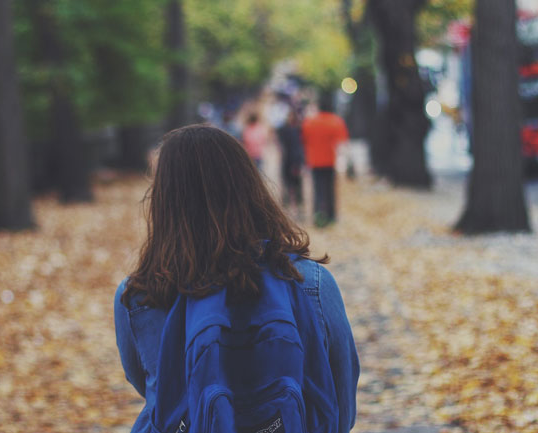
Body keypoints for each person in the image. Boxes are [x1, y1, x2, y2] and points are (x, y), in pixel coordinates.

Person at [114, 125, 359, 433]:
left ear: (164, 200)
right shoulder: (310, 282)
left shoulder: (138, 295)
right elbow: (341, 407)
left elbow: (155, 391)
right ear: (251, 188)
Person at [301, 93, 349, 227]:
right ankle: (331, 215)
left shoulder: (310, 122)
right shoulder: (336, 121)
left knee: (318, 189)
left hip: (314, 160)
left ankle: (318, 215)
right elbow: (341, 143)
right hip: (330, 160)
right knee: (330, 189)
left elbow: (304, 140)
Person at [276, 109, 305, 215]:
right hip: (288, 161)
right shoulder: (286, 130)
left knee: (295, 185)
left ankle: (297, 208)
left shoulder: (297, 130)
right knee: (288, 185)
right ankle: (289, 207)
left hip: (294, 161)